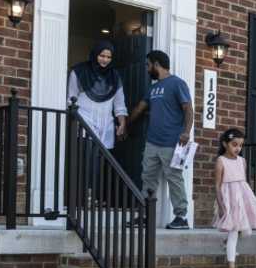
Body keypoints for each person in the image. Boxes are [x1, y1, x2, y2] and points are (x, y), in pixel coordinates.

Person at [127, 50, 194, 229]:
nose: (147, 69)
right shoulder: (153, 88)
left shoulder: (177, 83)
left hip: (172, 142)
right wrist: (125, 124)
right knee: (147, 178)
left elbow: (188, 108)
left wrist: (186, 132)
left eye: (148, 65)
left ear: (156, 64)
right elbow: (141, 107)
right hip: (152, 142)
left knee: (174, 178)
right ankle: (144, 216)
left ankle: (181, 217)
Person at [67, 41, 127, 205]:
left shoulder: (115, 77)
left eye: (109, 57)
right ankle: (83, 197)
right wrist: (76, 120)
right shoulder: (79, 72)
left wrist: (122, 123)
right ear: (95, 54)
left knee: (100, 164)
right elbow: (70, 99)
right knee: (86, 161)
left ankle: (95, 197)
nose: (105, 60)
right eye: (102, 55)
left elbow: (119, 104)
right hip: (84, 120)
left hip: (106, 125)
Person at [214, 128, 256, 268]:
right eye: (234, 145)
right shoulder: (221, 161)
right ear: (225, 144)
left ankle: (227, 243)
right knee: (234, 231)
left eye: (240, 145)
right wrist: (221, 205)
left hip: (242, 197)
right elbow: (218, 185)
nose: (237, 148)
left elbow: (243, 181)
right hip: (228, 198)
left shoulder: (242, 161)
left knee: (245, 231)